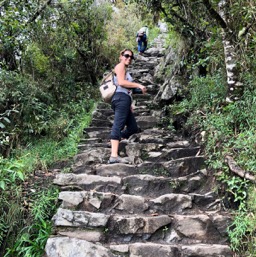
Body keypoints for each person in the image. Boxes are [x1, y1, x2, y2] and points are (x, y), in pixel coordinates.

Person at [108, 49, 147, 164]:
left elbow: (127, 88)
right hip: (120, 99)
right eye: (126, 55)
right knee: (118, 125)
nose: (129, 58)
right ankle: (114, 156)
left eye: (131, 57)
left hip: (125, 99)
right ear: (121, 56)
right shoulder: (120, 66)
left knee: (133, 127)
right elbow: (121, 83)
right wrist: (138, 85)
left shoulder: (125, 70)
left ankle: (115, 139)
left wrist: (139, 91)